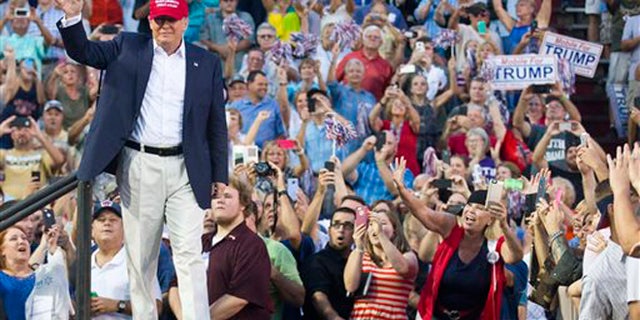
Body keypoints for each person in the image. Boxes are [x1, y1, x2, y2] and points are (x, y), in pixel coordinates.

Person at [55, 0, 228, 318]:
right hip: (140, 163)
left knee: (189, 254)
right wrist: (72, 17)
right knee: (141, 259)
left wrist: (220, 175)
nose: (164, 25)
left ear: (185, 22)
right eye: (158, 19)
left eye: (171, 19)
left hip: (187, 168)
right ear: (149, 22)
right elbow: (84, 53)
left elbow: (217, 123)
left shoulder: (207, 62)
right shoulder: (126, 46)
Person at [394, 157, 524, 319]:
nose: (471, 211)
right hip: (435, 315)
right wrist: (402, 189)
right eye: (469, 206)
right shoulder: (450, 226)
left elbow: (516, 256)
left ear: (490, 219)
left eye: (479, 209)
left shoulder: (493, 246)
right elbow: (423, 212)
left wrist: (504, 225)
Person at [203, 176, 272, 319]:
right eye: (215, 196)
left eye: (227, 196)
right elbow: (176, 285)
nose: (220, 200)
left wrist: (200, 318)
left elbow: (239, 298)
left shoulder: (252, 245)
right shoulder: (200, 242)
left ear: (243, 204)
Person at [91, 200, 163, 319]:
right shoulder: (84, 263)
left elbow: (157, 306)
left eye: (113, 220)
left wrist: (118, 305)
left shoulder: (137, 261)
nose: (107, 223)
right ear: (92, 230)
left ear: (125, 228)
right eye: (101, 220)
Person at [344, 204, 418, 319]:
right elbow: (350, 287)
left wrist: (381, 234)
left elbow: (403, 268)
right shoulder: (359, 255)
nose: (375, 227)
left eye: (382, 223)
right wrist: (359, 247)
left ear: (394, 230)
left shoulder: (408, 256)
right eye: (370, 224)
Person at [0, 224, 71, 319]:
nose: (21, 241)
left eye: (24, 238)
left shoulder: (44, 276)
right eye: (13, 239)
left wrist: (52, 246)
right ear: (2, 251)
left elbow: (63, 301)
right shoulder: (2, 279)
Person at [301, 206, 356, 320]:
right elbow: (318, 297)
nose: (341, 229)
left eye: (347, 226)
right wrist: (334, 317)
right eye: (336, 224)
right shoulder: (316, 261)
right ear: (329, 230)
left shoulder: (360, 262)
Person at [0, 115, 65, 199]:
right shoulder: (4, 154)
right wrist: (0, 131)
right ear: (11, 134)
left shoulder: (42, 154)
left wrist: (39, 135)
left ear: (32, 133)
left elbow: (60, 160)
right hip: (8, 205)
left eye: (26, 130)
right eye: (18, 129)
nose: (22, 133)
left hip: (34, 204)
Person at [342, 132, 414, 205]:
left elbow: (397, 192)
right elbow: (342, 172)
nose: (384, 146)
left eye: (389, 143)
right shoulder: (365, 168)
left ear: (395, 149)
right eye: (382, 142)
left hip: (384, 213)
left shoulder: (403, 171)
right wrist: (364, 149)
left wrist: (380, 162)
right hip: (358, 210)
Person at [229, 70, 287, 148]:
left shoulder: (273, 105)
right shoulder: (235, 106)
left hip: (265, 155)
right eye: (260, 84)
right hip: (242, 153)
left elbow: (281, 135)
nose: (264, 87)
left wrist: (286, 146)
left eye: (266, 85)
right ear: (248, 85)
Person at [335, 24, 394, 101]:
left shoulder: (385, 65)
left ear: (381, 42)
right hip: (346, 104)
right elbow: (334, 80)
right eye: (369, 36)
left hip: (372, 108)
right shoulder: (349, 57)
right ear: (363, 40)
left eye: (376, 37)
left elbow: (385, 91)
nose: (372, 39)